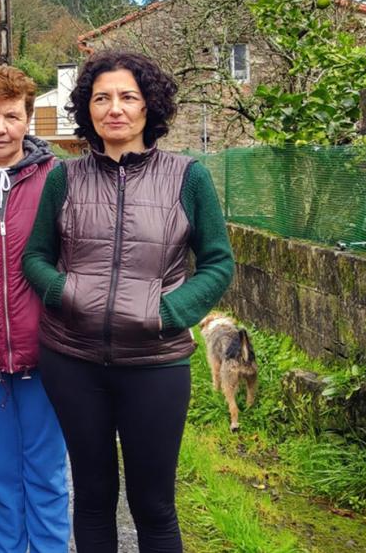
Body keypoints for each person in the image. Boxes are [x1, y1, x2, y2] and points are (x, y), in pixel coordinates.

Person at [22, 50, 235, 553]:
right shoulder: (64, 177)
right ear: (88, 109)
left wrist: (170, 312)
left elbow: (218, 262)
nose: (114, 108)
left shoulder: (188, 176)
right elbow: (36, 256)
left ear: (148, 107)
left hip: (155, 365)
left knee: (154, 504)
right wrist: (64, 291)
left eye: (127, 97)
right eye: (101, 98)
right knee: (93, 498)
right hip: (71, 360)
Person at [0, 66, 70, 553]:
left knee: (46, 474)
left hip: (47, 349)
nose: (0, 128)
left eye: (11, 116)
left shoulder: (59, 176)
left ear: (28, 119)